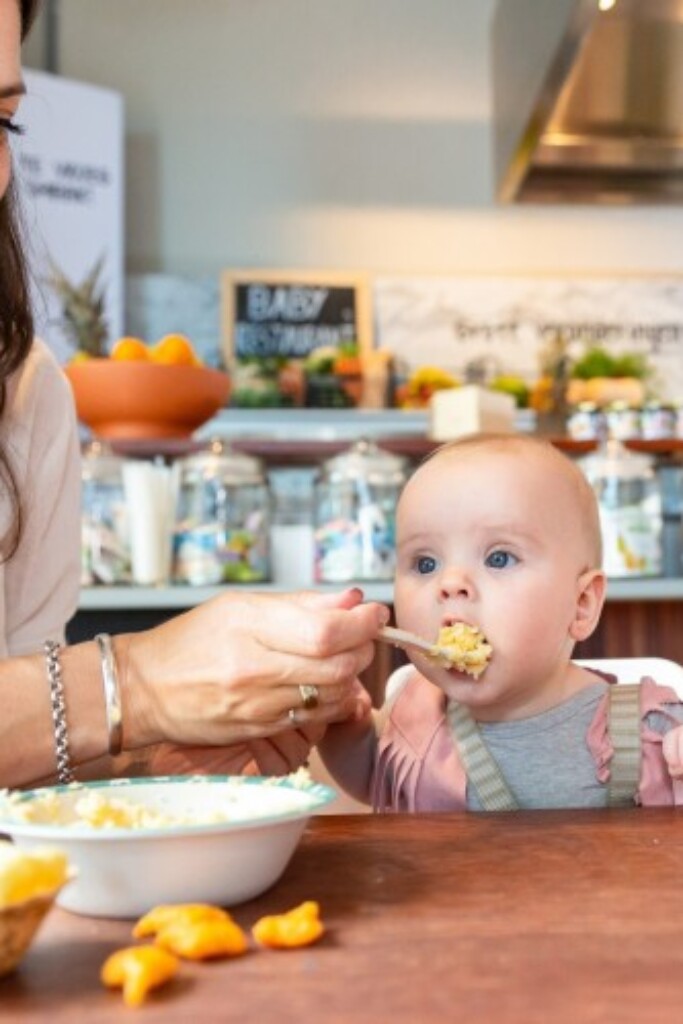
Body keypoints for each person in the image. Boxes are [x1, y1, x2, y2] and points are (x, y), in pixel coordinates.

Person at [0, 0, 389, 791]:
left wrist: (148, 749)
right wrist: (137, 685)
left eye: (3, 121)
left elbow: (22, 748)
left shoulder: (24, 387)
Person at [318, 433, 683, 811]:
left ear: (581, 604)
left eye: (499, 558)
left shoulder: (651, 730)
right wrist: (340, 720)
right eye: (425, 564)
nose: (451, 584)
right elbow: (375, 778)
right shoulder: (412, 717)